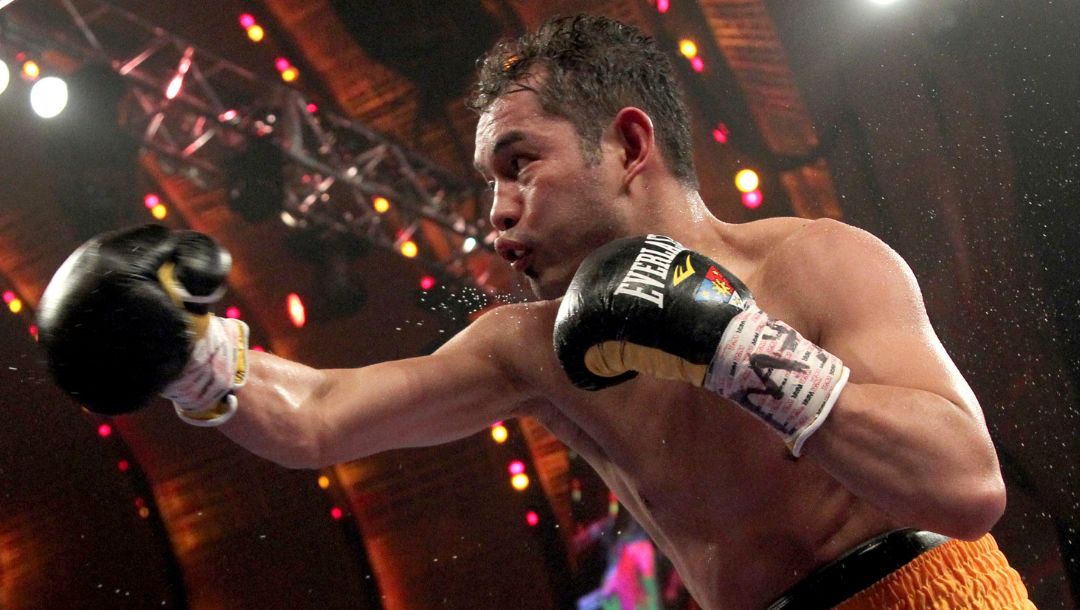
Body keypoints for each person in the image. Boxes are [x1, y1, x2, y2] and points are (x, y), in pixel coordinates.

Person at [36, 14, 1036, 610]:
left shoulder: (820, 261)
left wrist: (738, 346)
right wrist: (192, 355)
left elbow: (966, 485)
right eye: (486, 181)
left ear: (629, 144)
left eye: (520, 164)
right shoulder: (534, 348)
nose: (496, 211)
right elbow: (321, 413)